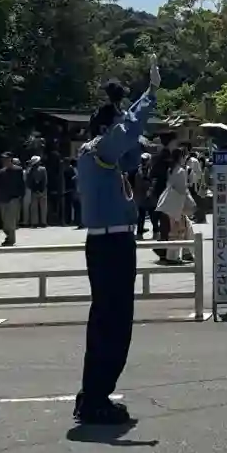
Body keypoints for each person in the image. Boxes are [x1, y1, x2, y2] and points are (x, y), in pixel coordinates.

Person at [74, 60, 160, 426]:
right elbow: (127, 133)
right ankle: (95, 398)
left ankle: (94, 394)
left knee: (107, 322)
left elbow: (130, 147)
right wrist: (150, 95)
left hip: (110, 244)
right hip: (112, 246)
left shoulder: (98, 155)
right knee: (113, 323)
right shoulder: (98, 150)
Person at [0, 153, 26, 245]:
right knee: (5, 221)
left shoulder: (18, 170)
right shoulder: (1, 172)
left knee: (10, 220)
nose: (4, 161)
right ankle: (9, 236)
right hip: (2, 199)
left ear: (10, 159)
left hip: (13, 199)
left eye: (6, 159)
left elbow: (22, 184)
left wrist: (21, 196)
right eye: (3, 160)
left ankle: (11, 240)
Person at [24, 151, 49, 228]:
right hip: (41, 189)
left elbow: (28, 181)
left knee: (34, 207)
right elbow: (45, 180)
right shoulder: (43, 169)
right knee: (43, 207)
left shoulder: (30, 170)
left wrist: (33, 188)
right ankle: (43, 222)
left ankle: (35, 222)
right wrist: (41, 188)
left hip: (35, 190)